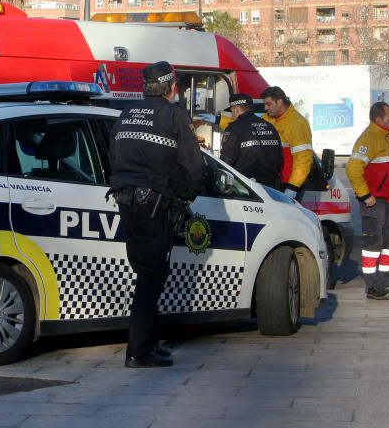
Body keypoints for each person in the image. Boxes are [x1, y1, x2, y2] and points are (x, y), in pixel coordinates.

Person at [109, 61, 203, 368]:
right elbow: (194, 166)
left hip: (126, 202)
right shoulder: (175, 116)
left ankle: (148, 342)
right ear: (172, 87)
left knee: (148, 272)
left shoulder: (124, 116)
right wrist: (183, 198)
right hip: (154, 205)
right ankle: (138, 351)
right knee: (152, 274)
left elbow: (113, 157)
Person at [346, 102, 389, 300]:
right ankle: (374, 287)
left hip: (388, 201)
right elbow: (353, 168)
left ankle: (388, 284)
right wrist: (365, 195)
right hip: (374, 202)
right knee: (373, 246)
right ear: (379, 119)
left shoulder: (385, 137)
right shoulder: (369, 138)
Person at [220, 93, 283, 189]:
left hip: (246, 188)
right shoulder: (269, 126)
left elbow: (227, 161)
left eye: (231, 112)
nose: (232, 115)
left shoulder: (234, 128)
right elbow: (279, 161)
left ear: (236, 109)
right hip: (271, 187)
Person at [262, 86, 314, 201]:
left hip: (288, 183)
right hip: (274, 182)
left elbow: (303, 159)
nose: (265, 108)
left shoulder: (297, 123)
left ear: (279, 102)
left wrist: (293, 187)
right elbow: (245, 126)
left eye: (269, 104)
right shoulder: (269, 118)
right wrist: (218, 120)